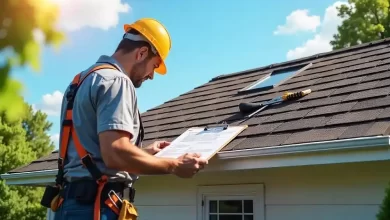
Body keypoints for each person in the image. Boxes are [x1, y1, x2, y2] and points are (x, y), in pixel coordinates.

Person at [52, 18, 208, 220]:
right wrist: (175, 165)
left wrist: (145, 153)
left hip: (71, 205)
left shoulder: (81, 80)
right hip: (98, 207)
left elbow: (98, 151)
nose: (151, 75)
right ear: (142, 53)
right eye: (155, 65)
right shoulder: (116, 81)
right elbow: (115, 154)